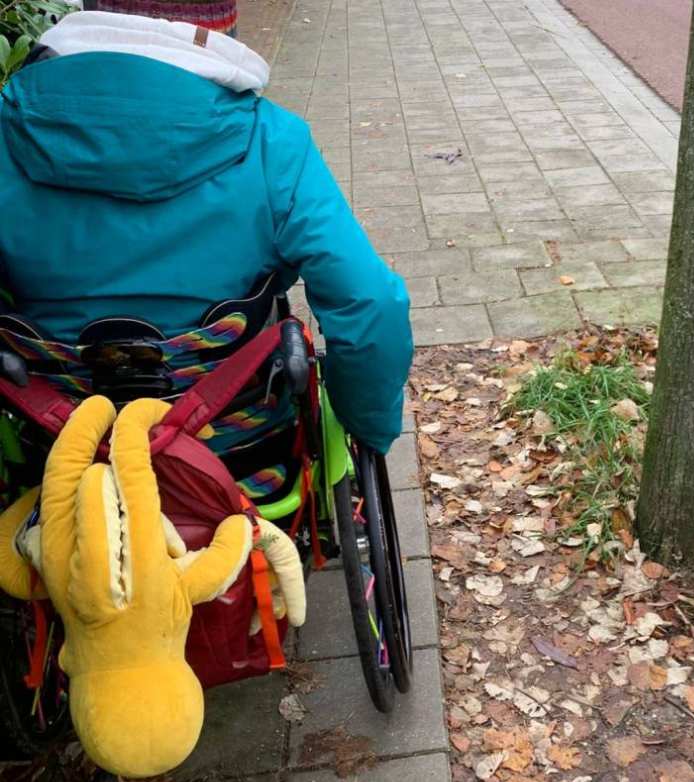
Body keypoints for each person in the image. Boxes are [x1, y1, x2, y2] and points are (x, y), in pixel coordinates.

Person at [0, 9, 412, 457]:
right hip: (241, 457)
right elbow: (370, 302)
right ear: (217, 26)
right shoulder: (272, 142)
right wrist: (368, 425)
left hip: (54, 450)